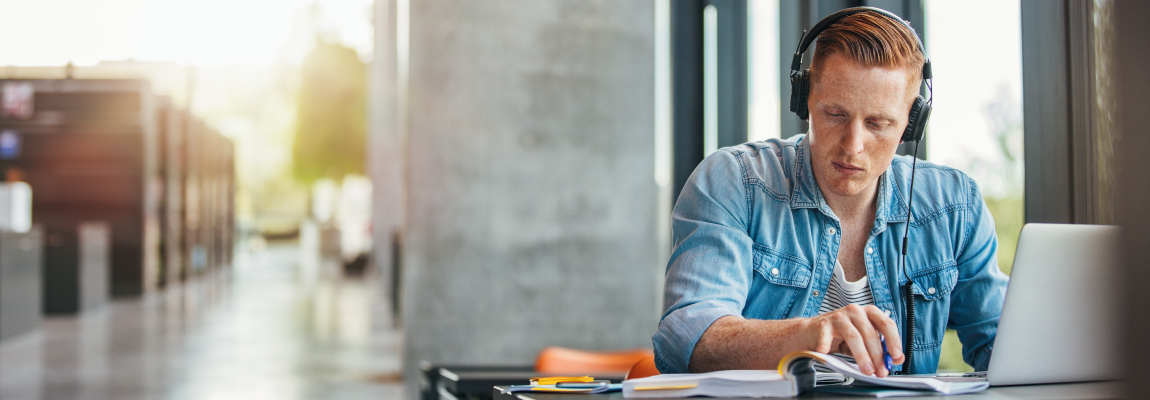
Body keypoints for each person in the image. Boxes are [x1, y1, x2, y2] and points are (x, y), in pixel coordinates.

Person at [652, 9, 1009, 377]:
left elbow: (1005, 344)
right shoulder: (734, 181)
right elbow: (686, 340)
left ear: (911, 123)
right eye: (835, 114)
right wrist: (809, 335)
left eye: (878, 123)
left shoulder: (953, 206)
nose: (853, 145)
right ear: (804, 100)